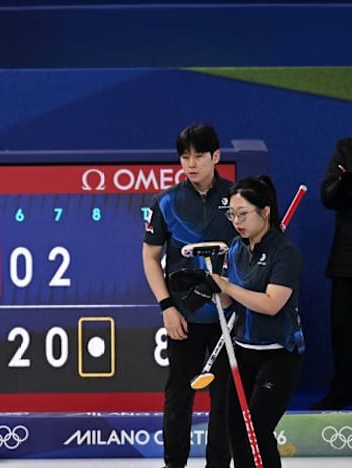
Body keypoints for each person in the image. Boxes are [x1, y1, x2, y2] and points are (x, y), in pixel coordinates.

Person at [142, 123, 233, 468]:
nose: (191, 163)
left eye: (198, 156)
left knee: (223, 398)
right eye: (185, 156)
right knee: (179, 395)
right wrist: (167, 306)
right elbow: (150, 257)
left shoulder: (238, 198)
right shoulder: (166, 202)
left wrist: (234, 296)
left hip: (229, 318)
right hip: (184, 315)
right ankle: (174, 464)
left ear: (216, 157)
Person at [208, 175, 305, 468]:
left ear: (265, 212)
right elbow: (229, 302)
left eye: (243, 214)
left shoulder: (284, 252)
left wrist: (228, 287)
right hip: (243, 350)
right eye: (232, 214)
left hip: (278, 354)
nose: (236, 221)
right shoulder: (236, 249)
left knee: (259, 430)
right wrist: (211, 286)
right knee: (236, 430)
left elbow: (272, 304)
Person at [311, 137, 352, 410]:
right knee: (344, 330)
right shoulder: (345, 148)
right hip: (346, 261)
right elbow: (328, 195)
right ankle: (343, 389)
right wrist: (347, 183)